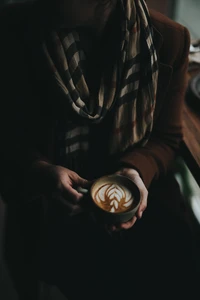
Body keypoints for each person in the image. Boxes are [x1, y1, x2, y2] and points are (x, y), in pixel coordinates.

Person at [0, 0, 198, 299]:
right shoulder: (14, 26)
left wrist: (135, 171)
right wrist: (39, 170)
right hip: (48, 211)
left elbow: (166, 138)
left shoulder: (169, 39)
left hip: (141, 204)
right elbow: (8, 135)